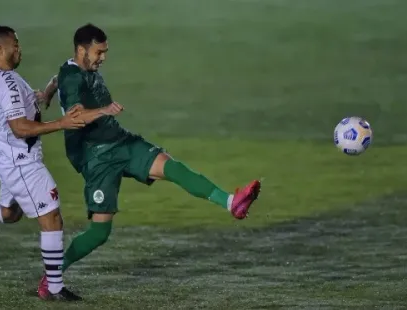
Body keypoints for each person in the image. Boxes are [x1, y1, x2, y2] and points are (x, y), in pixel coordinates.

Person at [37, 23, 262, 296]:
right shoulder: (74, 79)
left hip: (120, 141)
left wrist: (47, 93)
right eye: (99, 52)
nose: (103, 58)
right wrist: (105, 109)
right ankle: (53, 275)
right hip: (96, 157)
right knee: (99, 233)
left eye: (105, 52)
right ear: (82, 49)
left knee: (172, 167)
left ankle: (231, 203)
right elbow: (73, 119)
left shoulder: (75, 67)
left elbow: (58, 75)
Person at [0, 25, 121, 301]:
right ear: (0, 49)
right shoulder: (7, 83)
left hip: (5, 153)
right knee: (52, 218)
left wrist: (37, 98)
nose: (20, 49)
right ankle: (54, 288)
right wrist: (61, 122)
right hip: (22, 160)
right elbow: (20, 127)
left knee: (9, 214)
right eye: (15, 45)